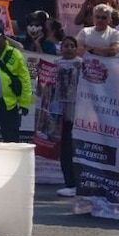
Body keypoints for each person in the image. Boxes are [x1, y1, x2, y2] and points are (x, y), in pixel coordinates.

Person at [55, 36, 82, 197]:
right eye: (66, 45)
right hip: (59, 112)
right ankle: (68, 182)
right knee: (64, 149)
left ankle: (76, 183)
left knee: (74, 148)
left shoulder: (81, 64)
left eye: (72, 46)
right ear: (61, 48)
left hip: (75, 112)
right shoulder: (56, 63)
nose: (69, 48)